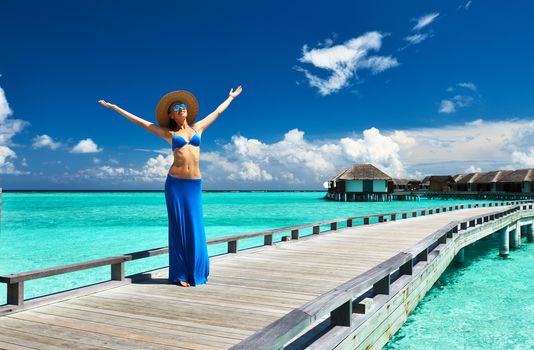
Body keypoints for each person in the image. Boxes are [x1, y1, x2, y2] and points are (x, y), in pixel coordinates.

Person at [98, 85, 243, 287]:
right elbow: (142, 123)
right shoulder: (169, 134)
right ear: (171, 115)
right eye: (177, 108)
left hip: (194, 185)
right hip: (175, 184)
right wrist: (115, 107)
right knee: (178, 227)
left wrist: (231, 97)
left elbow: (217, 111)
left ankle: (197, 270)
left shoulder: (198, 127)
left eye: (183, 106)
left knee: (195, 226)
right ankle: (181, 274)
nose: (181, 108)